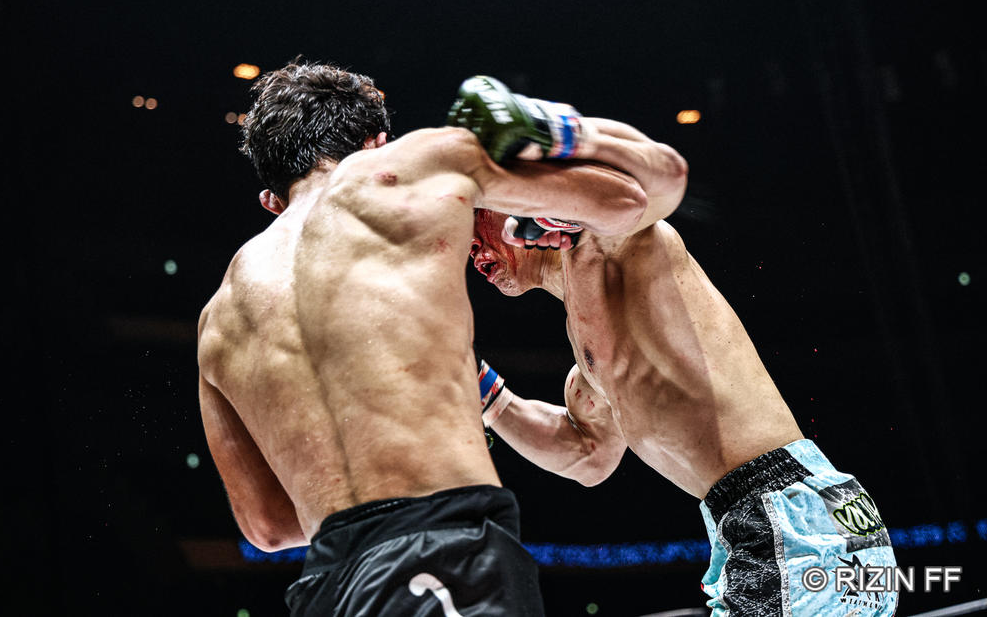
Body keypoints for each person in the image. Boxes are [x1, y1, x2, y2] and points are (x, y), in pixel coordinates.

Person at [196, 62, 655, 616]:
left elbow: (267, 528)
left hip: (326, 587)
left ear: (271, 200)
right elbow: (626, 202)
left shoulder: (216, 320)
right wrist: (551, 211)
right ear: (377, 144)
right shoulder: (408, 173)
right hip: (443, 552)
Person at [468, 102, 898, 614]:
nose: (470, 245)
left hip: (786, 519)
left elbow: (662, 182)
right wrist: (478, 387)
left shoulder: (610, 239)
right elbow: (588, 458)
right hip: (805, 519)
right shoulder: (586, 370)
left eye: (477, 215)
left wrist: (557, 154)